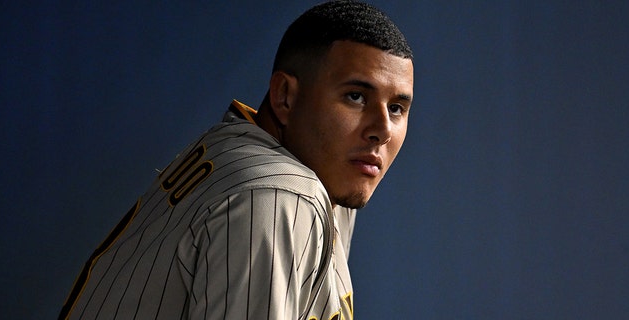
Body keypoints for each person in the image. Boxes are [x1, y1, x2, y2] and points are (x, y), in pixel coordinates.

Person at [59, 1, 413, 319]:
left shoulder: (316, 168)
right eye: (355, 96)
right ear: (285, 97)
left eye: (396, 108)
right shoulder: (278, 196)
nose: (381, 129)